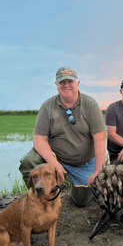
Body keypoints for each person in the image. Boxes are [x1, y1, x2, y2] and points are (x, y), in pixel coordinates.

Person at [19, 67, 107, 207]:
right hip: (57, 157)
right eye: (62, 82)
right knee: (29, 161)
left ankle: (70, 191)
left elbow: (100, 139)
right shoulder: (47, 106)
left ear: (77, 83)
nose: (66, 85)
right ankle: (40, 200)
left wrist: (98, 171)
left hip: (84, 163)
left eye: (70, 81)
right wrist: (53, 162)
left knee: (81, 201)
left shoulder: (90, 104)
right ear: (56, 85)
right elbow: (39, 140)